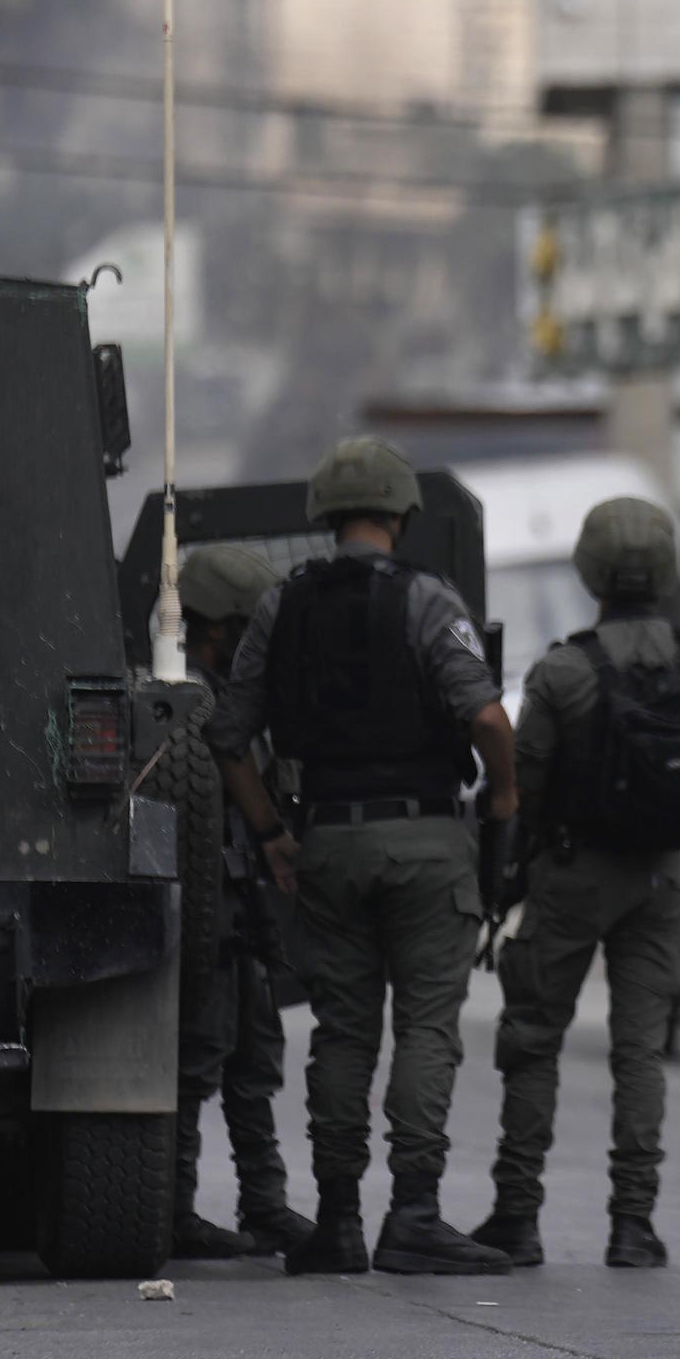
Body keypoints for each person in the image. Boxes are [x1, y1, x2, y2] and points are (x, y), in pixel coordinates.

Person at [205, 437, 519, 1277]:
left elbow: (229, 736)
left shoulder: (283, 606)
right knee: (424, 1027)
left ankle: (337, 1220)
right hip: (424, 842)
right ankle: (413, 1214)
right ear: (402, 513)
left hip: (327, 843)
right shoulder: (427, 599)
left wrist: (272, 833)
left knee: (343, 1031)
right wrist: (505, 797)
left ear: (324, 515)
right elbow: (488, 719)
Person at [470, 497, 680, 1271]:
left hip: (570, 875)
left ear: (590, 572)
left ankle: (517, 1216)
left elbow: (521, 784)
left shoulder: (563, 669)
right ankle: (633, 1225)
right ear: (665, 570)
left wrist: (508, 873)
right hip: (660, 880)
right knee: (640, 1054)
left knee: (533, 1041)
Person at [171, 542, 314, 1260]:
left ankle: (264, 1203)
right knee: (199, 1058)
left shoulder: (232, 700)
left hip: (241, 904)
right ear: (218, 627)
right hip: (208, 907)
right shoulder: (183, 701)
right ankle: (175, 1207)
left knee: (254, 1058)